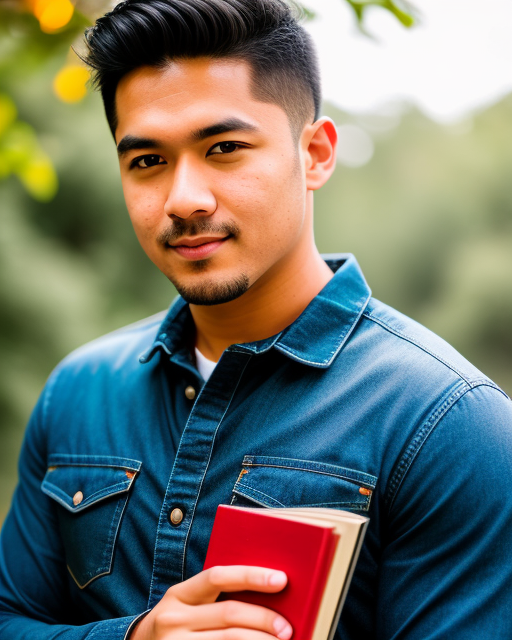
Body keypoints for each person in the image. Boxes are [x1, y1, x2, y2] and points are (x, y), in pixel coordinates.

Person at [1, 0, 512, 638]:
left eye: (224, 148)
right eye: (148, 162)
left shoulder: (450, 425)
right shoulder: (78, 392)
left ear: (317, 154)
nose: (184, 200)